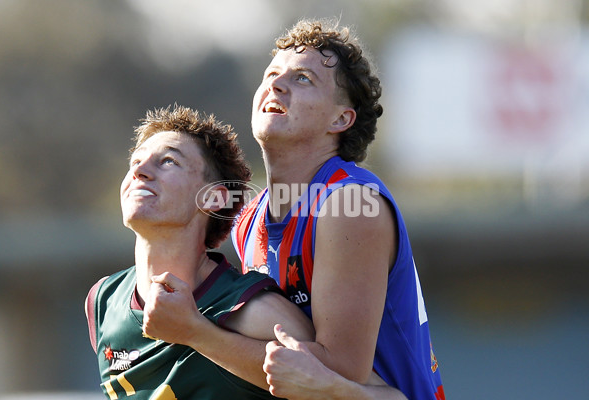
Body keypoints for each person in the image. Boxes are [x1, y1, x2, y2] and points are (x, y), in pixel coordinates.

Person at [143, 18, 445, 400]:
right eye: (271, 73)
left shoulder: (351, 203)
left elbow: (337, 371)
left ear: (341, 119)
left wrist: (193, 332)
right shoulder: (249, 219)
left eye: (303, 78)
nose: (276, 84)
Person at [84, 104, 314, 399]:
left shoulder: (251, 307)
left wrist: (197, 332)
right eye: (135, 161)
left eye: (167, 161)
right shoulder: (104, 299)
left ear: (214, 197)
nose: (139, 171)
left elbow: (338, 386)